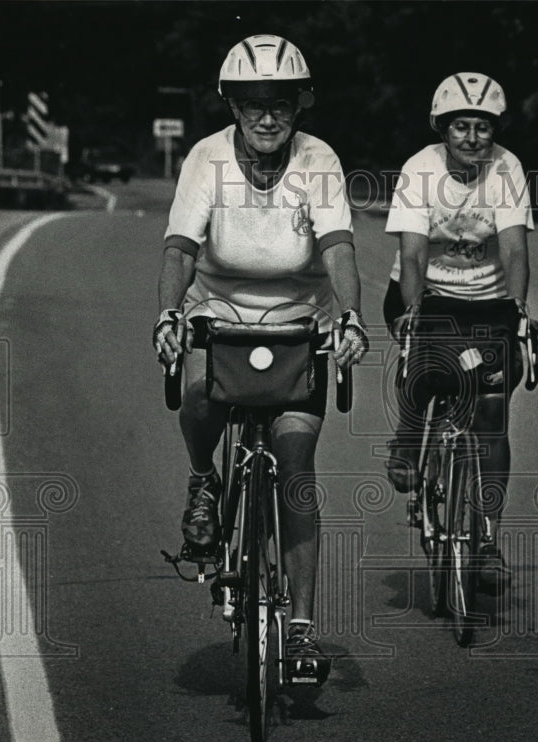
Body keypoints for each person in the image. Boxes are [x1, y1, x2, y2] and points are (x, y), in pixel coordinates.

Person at [153, 34, 368, 681]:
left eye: (279, 103)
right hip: (217, 317)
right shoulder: (205, 159)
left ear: (299, 106)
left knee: (296, 464)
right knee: (196, 395)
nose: (266, 116)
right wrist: (167, 314)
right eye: (251, 104)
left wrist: (352, 315)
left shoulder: (318, 161)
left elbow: (336, 248)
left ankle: (300, 631)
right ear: (232, 107)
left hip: (299, 326)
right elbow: (179, 250)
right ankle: (203, 479)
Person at [384, 72, 534, 591]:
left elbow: (514, 248)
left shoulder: (507, 169)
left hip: (488, 303)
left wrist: (516, 309)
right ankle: (408, 438)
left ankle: (487, 538)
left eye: (483, 127)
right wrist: (415, 310)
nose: (472, 138)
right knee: (425, 365)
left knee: (492, 412)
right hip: (425, 291)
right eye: (460, 127)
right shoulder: (419, 170)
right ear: (442, 129)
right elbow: (412, 252)